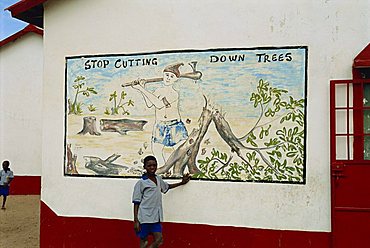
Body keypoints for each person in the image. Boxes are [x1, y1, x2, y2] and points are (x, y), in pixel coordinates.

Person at [132, 63, 189, 167]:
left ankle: (179, 171)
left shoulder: (174, 94)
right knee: (157, 150)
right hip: (160, 125)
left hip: (174, 126)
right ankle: (164, 171)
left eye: (172, 76)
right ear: (163, 75)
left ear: (175, 79)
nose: (168, 78)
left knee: (180, 152)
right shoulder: (158, 91)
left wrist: (141, 88)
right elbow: (150, 104)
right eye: (166, 75)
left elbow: (159, 105)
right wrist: (143, 88)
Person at [132, 155, 190, 248]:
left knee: (159, 240)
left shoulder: (158, 179)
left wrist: (181, 183)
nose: (152, 167)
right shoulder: (141, 183)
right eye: (149, 165)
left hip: (156, 216)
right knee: (144, 241)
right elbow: (136, 202)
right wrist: (136, 221)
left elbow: (166, 187)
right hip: (144, 217)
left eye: (154, 165)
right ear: (145, 167)